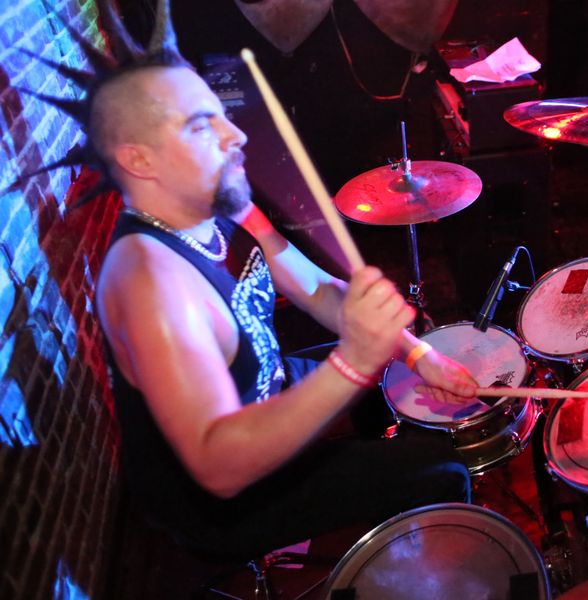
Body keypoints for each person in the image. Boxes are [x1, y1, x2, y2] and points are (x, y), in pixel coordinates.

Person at [59, 3, 479, 560]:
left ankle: (387, 531)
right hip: (225, 499)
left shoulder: (223, 204)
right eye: (202, 126)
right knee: (442, 471)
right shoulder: (150, 284)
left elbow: (314, 287)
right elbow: (219, 467)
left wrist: (414, 353)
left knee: (398, 386)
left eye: (222, 115)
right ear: (140, 160)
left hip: (268, 384)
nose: (235, 135)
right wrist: (354, 362)